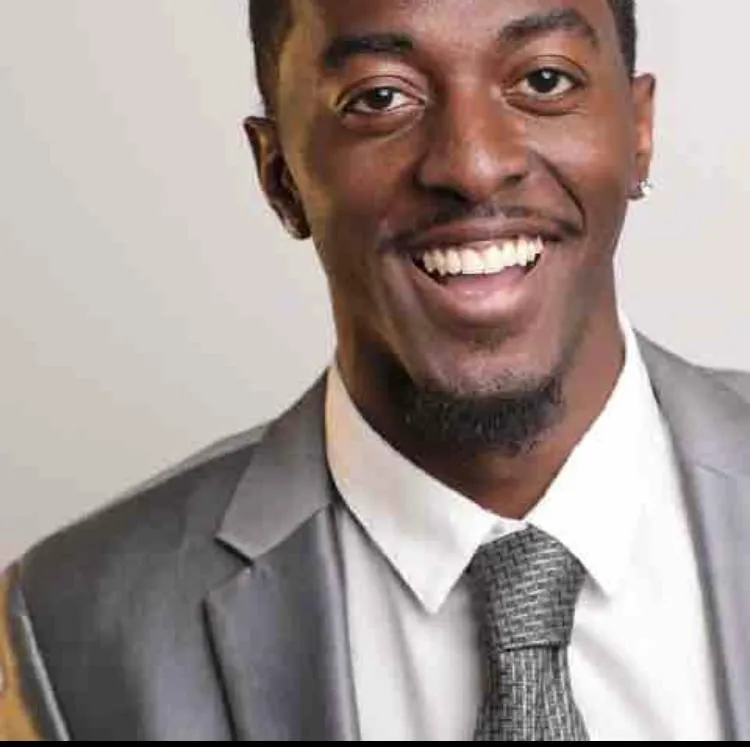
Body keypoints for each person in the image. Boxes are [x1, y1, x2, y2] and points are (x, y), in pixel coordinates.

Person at [2, 0, 749, 740]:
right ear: (279, 174)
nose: (473, 165)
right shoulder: (67, 636)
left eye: (545, 81)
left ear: (639, 128)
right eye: (381, 97)